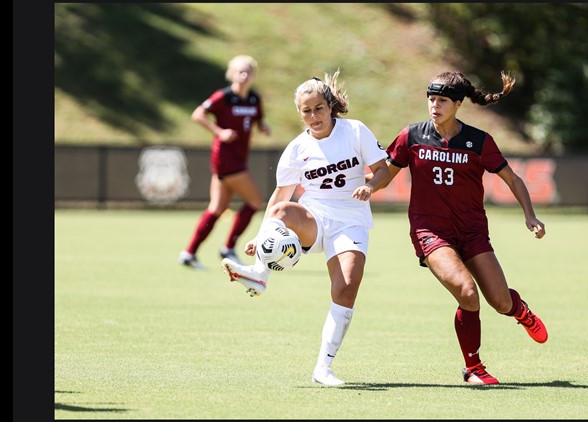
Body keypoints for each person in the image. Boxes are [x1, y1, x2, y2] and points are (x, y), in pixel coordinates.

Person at [367, 70, 548, 385]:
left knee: (501, 302)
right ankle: (473, 369)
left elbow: (512, 179)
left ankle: (521, 311)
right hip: (431, 233)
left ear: (458, 104)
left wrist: (529, 215)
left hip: (473, 232)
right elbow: (387, 174)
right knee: (467, 292)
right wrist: (368, 187)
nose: (434, 106)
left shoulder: (479, 142)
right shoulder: (411, 136)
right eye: (431, 99)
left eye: (442, 101)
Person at [221, 70, 390, 387]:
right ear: (300, 114)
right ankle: (259, 276)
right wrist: (261, 236)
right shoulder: (297, 148)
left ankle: (323, 368)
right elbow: (280, 196)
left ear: (330, 106)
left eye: (318, 109)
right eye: (306, 111)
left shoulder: (354, 131)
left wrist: (371, 188)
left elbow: (382, 170)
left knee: (346, 287)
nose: (314, 116)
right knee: (283, 209)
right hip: (315, 217)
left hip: (351, 219)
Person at [178, 55, 271, 270]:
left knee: (217, 208)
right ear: (231, 74)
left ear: (253, 75)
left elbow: (256, 120)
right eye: (240, 71)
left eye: (248, 71)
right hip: (226, 159)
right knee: (255, 201)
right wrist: (219, 131)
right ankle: (228, 248)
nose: (244, 75)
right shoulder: (224, 96)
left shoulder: (254, 99)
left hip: (238, 159)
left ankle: (189, 253)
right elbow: (198, 114)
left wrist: (262, 127)